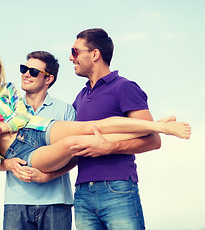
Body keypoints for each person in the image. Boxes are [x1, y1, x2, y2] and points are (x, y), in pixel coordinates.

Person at [0, 47, 191, 177]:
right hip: (21, 152)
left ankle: (159, 126)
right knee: (75, 144)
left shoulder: (7, 89)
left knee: (92, 126)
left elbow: (21, 116)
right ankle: (156, 127)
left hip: (37, 128)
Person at [69, 28, 180, 229]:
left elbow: (154, 140)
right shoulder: (80, 97)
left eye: (75, 51)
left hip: (117, 188)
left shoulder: (124, 87)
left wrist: (109, 147)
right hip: (82, 193)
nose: (71, 58)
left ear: (95, 54)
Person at [0, 51, 77, 230]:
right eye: (24, 69)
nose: (26, 74)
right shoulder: (8, 108)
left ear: (48, 79)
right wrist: (9, 163)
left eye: (33, 71)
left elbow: (75, 155)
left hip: (57, 203)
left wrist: (46, 176)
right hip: (16, 202)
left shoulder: (65, 110)